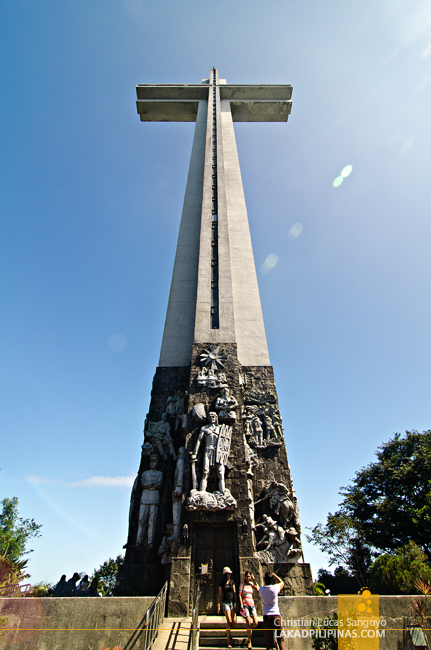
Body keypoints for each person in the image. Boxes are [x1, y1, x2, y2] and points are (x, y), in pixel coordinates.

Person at [259, 572, 286, 650]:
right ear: (272, 580)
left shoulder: (262, 590)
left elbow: (258, 591)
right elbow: (282, 583)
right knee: (280, 640)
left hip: (266, 616)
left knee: (269, 643)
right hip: (276, 616)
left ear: (264, 580)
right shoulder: (275, 588)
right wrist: (275, 575)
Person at [217, 567, 237, 648]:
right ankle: (228, 642)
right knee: (229, 620)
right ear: (225, 574)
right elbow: (219, 595)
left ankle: (227, 632)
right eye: (228, 574)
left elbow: (234, 592)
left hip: (232, 602)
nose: (229, 575)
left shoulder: (232, 582)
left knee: (234, 621)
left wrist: (235, 602)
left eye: (230, 574)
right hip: (225, 603)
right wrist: (218, 605)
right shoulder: (222, 583)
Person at [239, 571, 259, 648]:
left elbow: (257, 588)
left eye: (249, 576)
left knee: (255, 623)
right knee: (248, 622)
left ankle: (249, 630)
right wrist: (241, 604)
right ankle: (249, 642)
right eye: (247, 576)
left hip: (252, 605)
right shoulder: (242, 584)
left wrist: (254, 580)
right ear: (245, 577)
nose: (248, 578)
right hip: (245, 605)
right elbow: (240, 594)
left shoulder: (251, 584)